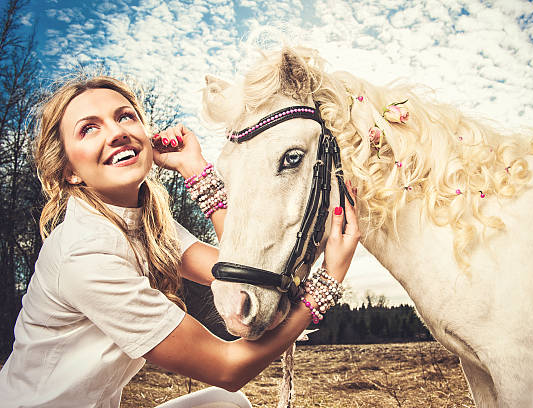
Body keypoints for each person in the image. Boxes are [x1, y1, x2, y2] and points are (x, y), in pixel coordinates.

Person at [0, 76, 360, 407]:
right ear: (70, 173)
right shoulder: (85, 255)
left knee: (225, 406)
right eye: (89, 129)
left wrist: (194, 168)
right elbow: (228, 368)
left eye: (125, 117)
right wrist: (326, 284)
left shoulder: (145, 224)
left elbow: (237, 275)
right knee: (227, 396)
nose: (116, 132)